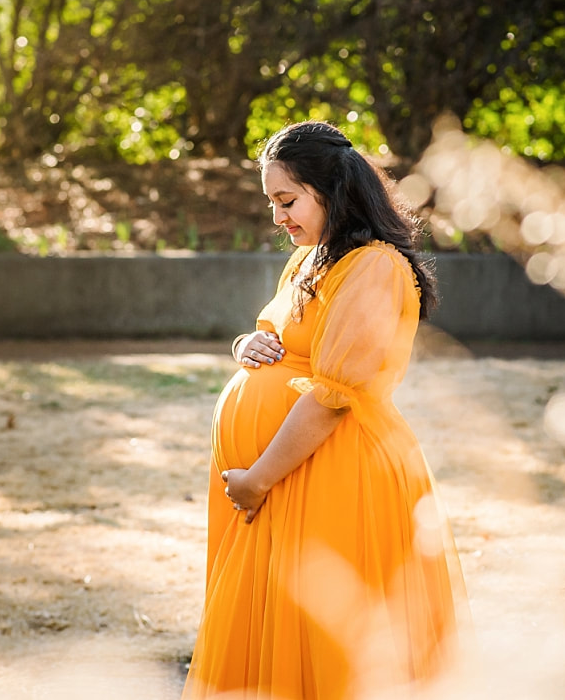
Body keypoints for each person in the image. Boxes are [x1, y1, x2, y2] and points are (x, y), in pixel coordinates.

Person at [181, 121, 468, 700]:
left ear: (331, 191)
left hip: (328, 477)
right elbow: (283, 336)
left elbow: (335, 396)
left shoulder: (375, 267)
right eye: (271, 203)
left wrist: (259, 478)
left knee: (323, 643)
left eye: (287, 201)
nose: (277, 217)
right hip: (285, 483)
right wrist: (245, 346)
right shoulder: (310, 259)